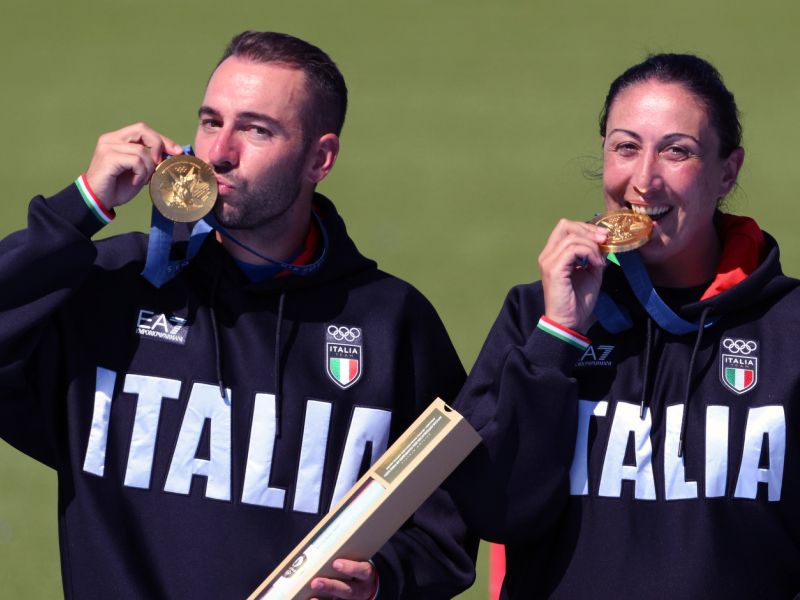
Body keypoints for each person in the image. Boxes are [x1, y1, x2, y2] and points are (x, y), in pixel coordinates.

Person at [0, 31, 475, 599]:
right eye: (210, 121)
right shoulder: (113, 288)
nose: (219, 151)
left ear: (319, 159)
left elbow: (449, 522)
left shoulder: (388, 322)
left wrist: (382, 581)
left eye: (256, 129)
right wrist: (81, 206)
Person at [448, 53, 800, 598]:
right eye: (626, 146)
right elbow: (495, 511)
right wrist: (559, 335)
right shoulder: (534, 315)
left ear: (727, 170)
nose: (644, 180)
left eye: (676, 151)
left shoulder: (788, 327)